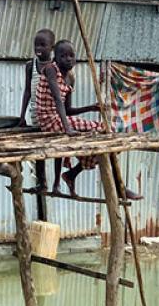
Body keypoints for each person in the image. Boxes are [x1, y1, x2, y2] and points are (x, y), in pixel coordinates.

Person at [35, 40, 102, 197]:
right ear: (55, 58)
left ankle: (72, 174)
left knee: (102, 133)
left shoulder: (71, 78)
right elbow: (57, 99)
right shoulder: (51, 69)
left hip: (60, 119)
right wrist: (68, 129)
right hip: (48, 120)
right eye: (63, 55)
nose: (68, 59)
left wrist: (91, 107)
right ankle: (67, 177)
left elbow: (68, 110)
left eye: (71, 55)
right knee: (100, 129)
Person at [17, 29, 64, 192]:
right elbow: (27, 91)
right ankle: (42, 182)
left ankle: (57, 183)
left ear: (51, 48)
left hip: (52, 115)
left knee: (58, 148)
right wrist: (22, 116)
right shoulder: (31, 66)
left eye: (43, 45)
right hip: (36, 114)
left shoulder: (56, 67)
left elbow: (61, 94)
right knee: (39, 149)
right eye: (36, 44)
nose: (39, 48)